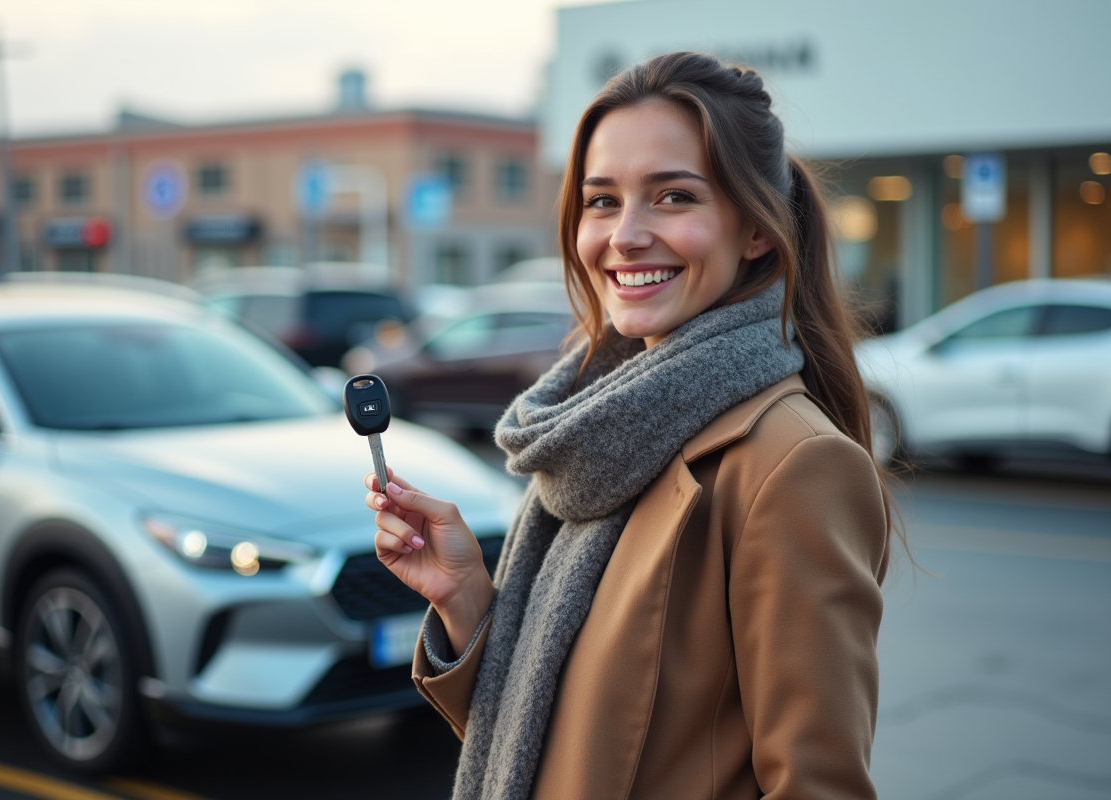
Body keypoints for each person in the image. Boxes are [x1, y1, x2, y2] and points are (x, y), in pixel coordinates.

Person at [362, 51, 893, 800]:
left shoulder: (791, 465)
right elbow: (550, 737)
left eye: (674, 197)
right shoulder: (593, 431)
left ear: (756, 231)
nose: (625, 235)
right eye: (602, 201)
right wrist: (466, 601)